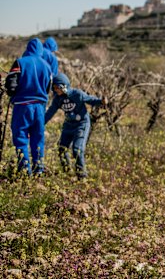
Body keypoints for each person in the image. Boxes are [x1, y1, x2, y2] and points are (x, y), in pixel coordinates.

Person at [5, 38, 52, 175]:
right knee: (38, 139)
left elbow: (11, 85)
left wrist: (12, 94)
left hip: (22, 106)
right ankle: (39, 170)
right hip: (40, 108)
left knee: (21, 138)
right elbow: (48, 87)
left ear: (28, 48)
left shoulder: (20, 63)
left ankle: (25, 171)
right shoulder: (47, 66)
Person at [44, 73, 103, 179]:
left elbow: (90, 99)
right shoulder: (57, 99)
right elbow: (50, 112)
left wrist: (101, 101)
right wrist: (40, 124)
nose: (56, 90)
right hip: (68, 125)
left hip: (81, 124)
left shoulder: (77, 94)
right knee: (62, 148)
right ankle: (66, 172)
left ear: (64, 86)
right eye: (54, 88)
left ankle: (82, 176)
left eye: (57, 87)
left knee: (77, 149)